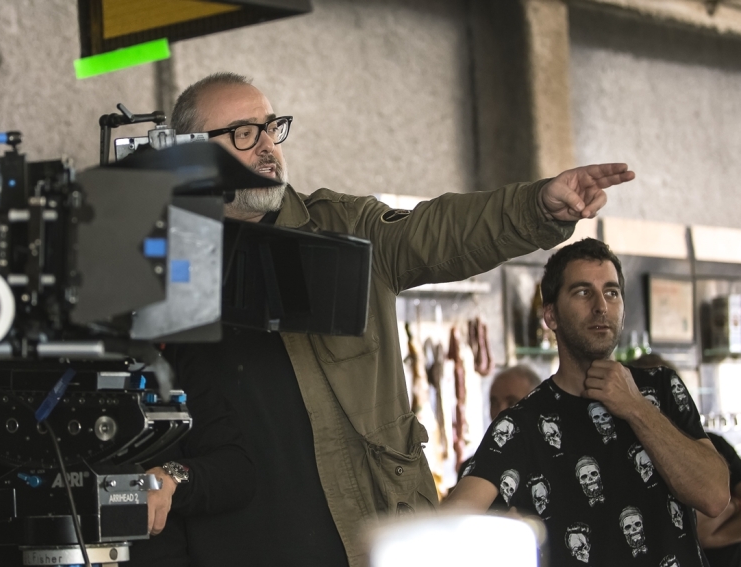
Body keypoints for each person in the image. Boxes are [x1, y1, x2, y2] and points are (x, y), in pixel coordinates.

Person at [135, 72, 636, 567]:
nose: (268, 145)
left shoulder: (339, 230)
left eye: (271, 127)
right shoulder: (156, 267)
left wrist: (535, 207)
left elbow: (438, 233)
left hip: (367, 543)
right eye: (244, 133)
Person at [444, 238, 729, 565]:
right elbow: (449, 526)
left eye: (612, 292)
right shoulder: (522, 425)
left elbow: (715, 496)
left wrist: (636, 407)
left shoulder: (661, 388)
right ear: (550, 315)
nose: (601, 306)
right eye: (582, 292)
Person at [629, 354, 741, 567]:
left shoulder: (714, 443)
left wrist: (711, 537)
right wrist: (734, 507)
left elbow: (703, 519)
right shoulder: (634, 457)